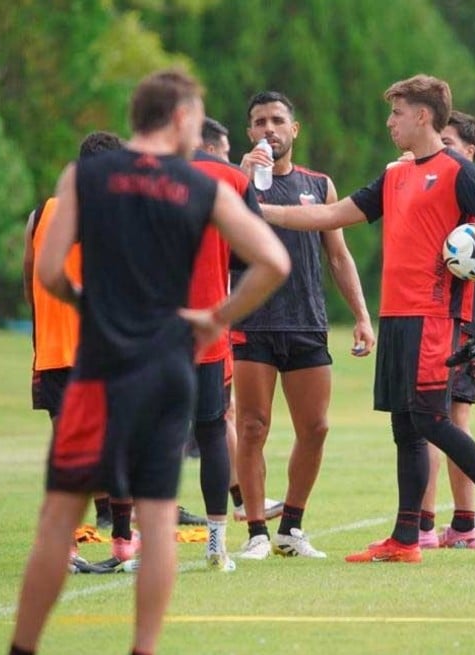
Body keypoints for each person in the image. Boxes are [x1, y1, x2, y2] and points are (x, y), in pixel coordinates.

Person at [8, 69, 289, 655]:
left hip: (99, 368)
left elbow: (48, 270)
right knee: (158, 523)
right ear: (181, 118)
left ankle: (23, 647)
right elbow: (273, 261)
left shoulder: (85, 177)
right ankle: (143, 647)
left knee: (59, 520)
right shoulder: (201, 185)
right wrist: (216, 316)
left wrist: (86, 301)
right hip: (166, 368)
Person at [258, 74, 475, 564]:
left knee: (431, 419)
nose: (390, 122)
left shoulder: (458, 171)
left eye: (397, 113)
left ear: (423, 116)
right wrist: (262, 211)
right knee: (406, 428)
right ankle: (406, 539)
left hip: (433, 317)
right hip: (396, 317)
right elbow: (332, 215)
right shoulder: (395, 175)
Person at [234, 91, 376, 560]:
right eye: (259, 122)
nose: (268, 129)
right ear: (249, 131)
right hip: (252, 322)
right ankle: (257, 532)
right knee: (252, 427)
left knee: (315, 428)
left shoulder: (318, 185)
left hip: (306, 322)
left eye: (277, 120)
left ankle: (291, 528)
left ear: (294, 129)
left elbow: (338, 256)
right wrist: (241, 179)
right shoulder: (234, 185)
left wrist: (361, 316)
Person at [21, 131, 130, 574]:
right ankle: (124, 543)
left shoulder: (42, 213)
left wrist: (43, 333)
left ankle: (64, 549)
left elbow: (31, 277)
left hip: (52, 353)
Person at [183, 117, 271, 572]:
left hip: (148, 329)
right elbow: (256, 252)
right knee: (212, 431)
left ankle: (135, 541)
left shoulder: (139, 172)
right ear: (215, 145)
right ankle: (216, 545)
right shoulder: (231, 178)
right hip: (207, 327)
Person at [413, 110, 475, 549]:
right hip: (460, 322)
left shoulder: (465, 191)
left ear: (469, 152)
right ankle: (463, 525)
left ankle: (424, 526)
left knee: (433, 419)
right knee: (452, 419)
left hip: (455, 323)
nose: (438, 150)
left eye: (448, 143)